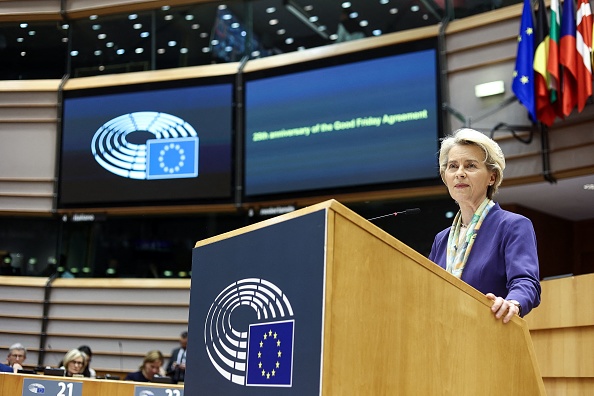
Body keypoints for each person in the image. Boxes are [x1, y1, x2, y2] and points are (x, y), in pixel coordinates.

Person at [429, 128, 541, 324]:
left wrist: (512, 303)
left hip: (490, 337)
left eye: (470, 166)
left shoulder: (512, 226)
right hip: (442, 339)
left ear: (492, 177)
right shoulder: (442, 239)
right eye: (453, 166)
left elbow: (526, 282)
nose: (460, 173)